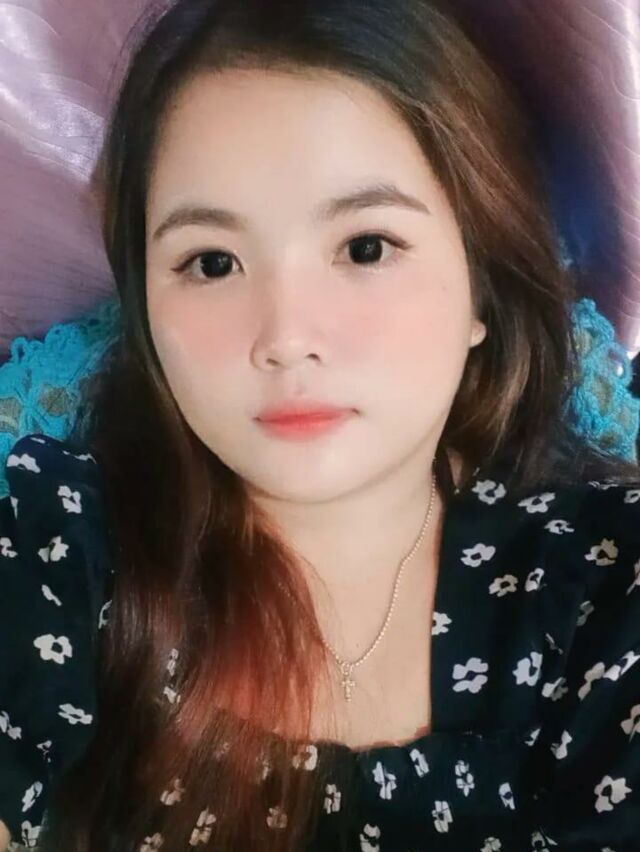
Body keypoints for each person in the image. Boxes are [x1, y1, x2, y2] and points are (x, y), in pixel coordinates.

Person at [1, 0, 639, 849]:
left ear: (482, 287)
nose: (285, 336)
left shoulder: (607, 589)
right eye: (212, 262)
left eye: (366, 247)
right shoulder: (55, 546)